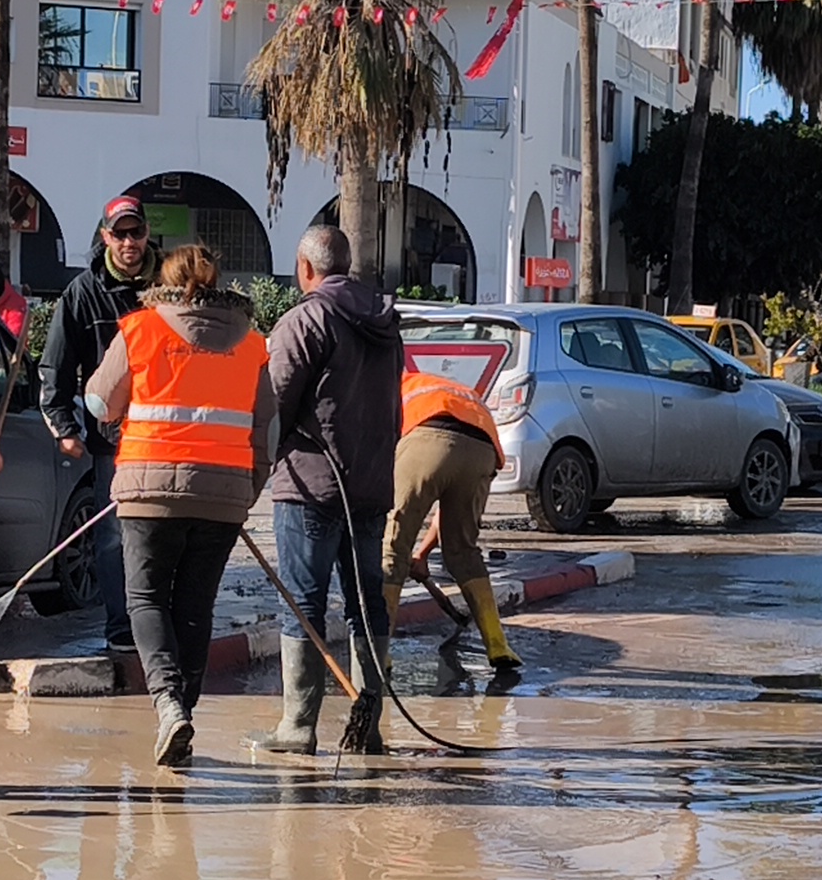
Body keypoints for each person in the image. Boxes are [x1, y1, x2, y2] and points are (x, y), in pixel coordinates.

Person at [84, 245, 275, 767]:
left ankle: (168, 704)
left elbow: (100, 403)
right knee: (195, 606)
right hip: (223, 495)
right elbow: (269, 429)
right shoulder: (252, 343)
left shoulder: (140, 329)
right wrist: (248, 489)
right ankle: (182, 712)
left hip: (147, 491)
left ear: (163, 280)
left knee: (146, 599)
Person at [253, 226, 403, 756]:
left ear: (305, 268)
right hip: (370, 485)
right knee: (366, 603)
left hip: (310, 486)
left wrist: (254, 468)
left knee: (303, 602)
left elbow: (274, 405)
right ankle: (369, 725)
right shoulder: (386, 324)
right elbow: (394, 406)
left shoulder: (305, 320)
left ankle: (298, 726)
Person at [42, 196, 155, 653]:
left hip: (167, 438)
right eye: (119, 234)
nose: (129, 242)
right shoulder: (83, 292)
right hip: (114, 439)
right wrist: (63, 426)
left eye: (136, 232)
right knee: (113, 536)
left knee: (162, 535)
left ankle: (159, 623)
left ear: (147, 233)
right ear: (106, 237)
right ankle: (122, 628)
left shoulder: (169, 286)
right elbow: (56, 365)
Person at [384, 369, 521, 683]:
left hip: (426, 439)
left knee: (393, 548)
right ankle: (498, 645)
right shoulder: (446, 388)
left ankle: (379, 652)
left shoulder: (389, 388)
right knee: (463, 551)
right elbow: (447, 512)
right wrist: (422, 555)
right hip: (482, 450)